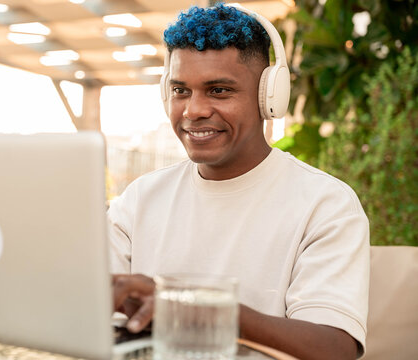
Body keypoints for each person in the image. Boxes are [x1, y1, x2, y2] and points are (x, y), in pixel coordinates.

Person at [108, 4, 370, 360]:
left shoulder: (325, 204)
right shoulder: (139, 199)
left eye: (218, 90)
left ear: (268, 97)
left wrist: (196, 310)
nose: (193, 110)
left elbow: (335, 348)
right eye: (180, 90)